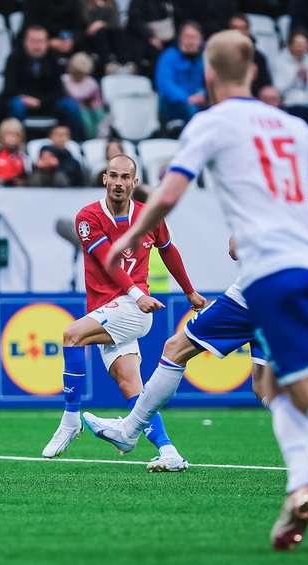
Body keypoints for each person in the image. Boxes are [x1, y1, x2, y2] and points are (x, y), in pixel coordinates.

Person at [100, 29, 308, 551]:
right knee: (287, 389)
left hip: (266, 276)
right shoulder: (289, 125)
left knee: (298, 394)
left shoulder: (212, 122)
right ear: (254, 72)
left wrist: (131, 238)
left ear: (208, 74)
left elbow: (170, 192)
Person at [84, 179, 308, 492]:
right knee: (265, 386)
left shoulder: (269, 186)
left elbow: (236, 248)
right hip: (295, 291)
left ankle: (130, 429)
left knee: (175, 348)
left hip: (256, 289)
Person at [41, 153, 206, 473]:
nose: (118, 182)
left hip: (133, 309)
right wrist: (137, 295)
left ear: (135, 182)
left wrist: (189, 291)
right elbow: (108, 259)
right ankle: (168, 451)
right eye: (112, 176)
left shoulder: (151, 216)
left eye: (124, 177)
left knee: (72, 335)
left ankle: (70, 420)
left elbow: (169, 251)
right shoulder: (88, 217)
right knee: (132, 386)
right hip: (113, 308)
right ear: (104, 178)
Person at [1, 26, 86, 140]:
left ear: (47, 43)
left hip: (47, 104)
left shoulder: (53, 59)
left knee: (70, 105)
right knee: (16, 104)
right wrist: (25, 98)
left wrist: (41, 102)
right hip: (23, 102)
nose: (37, 45)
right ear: (25, 42)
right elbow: (9, 88)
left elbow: (58, 91)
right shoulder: (14, 58)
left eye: (41, 41)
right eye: (33, 41)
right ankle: (15, 143)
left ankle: (77, 145)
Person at [156, 21, 207, 127]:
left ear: (201, 40)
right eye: (187, 37)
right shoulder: (169, 55)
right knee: (191, 110)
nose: (190, 41)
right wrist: (187, 98)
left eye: (193, 37)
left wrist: (203, 95)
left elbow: (210, 80)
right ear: (180, 38)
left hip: (199, 101)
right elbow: (165, 83)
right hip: (174, 104)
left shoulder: (205, 56)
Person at [62, 52, 108, 139]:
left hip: (90, 107)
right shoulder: (65, 80)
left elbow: (97, 100)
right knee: (84, 115)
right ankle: (88, 138)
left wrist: (94, 106)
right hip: (75, 111)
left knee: (99, 113)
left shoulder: (91, 82)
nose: (79, 75)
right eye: (77, 72)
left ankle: (101, 137)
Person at [272, 29, 308, 110]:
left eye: (304, 44)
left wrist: (306, 78)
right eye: (297, 44)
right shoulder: (279, 61)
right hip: (289, 102)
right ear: (290, 45)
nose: (300, 47)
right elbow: (278, 89)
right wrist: (295, 76)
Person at [228, 13, 274, 96]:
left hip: (253, 98)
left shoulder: (259, 57)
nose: (238, 32)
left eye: (242, 28)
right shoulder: (221, 53)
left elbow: (266, 85)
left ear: (248, 30)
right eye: (234, 28)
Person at [81, 0, 126, 74]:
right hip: (89, 36)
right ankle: (107, 64)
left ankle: (122, 64)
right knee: (100, 33)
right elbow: (85, 20)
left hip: (109, 35)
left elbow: (115, 22)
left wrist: (102, 23)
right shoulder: (84, 3)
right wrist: (97, 24)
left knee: (118, 33)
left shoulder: (112, 3)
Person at [0, 118, 28, 186]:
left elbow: (29, 179)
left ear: (21, 137)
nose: (11, 138)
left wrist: (22, 182)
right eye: (8, 135)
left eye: (15, 135)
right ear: (1, 136)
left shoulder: (25, 159)